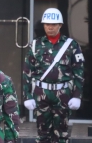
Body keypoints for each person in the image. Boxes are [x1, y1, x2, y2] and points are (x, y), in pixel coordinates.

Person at [23, 8, 85, 143]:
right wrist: (27, 96)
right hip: (41, 93)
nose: (50, 27)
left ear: (60, 25)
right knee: (42, 134)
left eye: (54, 24)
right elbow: (27, 72)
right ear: (43, 25)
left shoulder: (71, 45)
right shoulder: (35, 45)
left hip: (62, 93)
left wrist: (77, 96)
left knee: (62, 134)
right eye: (47, 24)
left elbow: (79, 73)